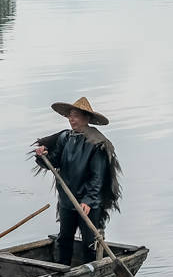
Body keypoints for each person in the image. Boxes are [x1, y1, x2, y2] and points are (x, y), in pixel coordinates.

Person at [31, 96, 121, 267]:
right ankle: (62, 269)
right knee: (64, 238)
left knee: (89, 242)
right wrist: (42, 156)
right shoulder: (66, 137)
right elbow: (54, 162)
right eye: (70, 115)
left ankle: (90, 270)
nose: (72, 119)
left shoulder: (96, 144)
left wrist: (88, 200)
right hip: (67, 200)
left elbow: (97, 177)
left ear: (86, 118)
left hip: (87, 204)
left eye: (76, 116)